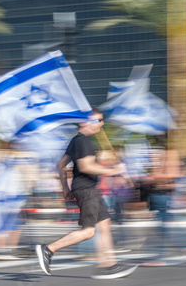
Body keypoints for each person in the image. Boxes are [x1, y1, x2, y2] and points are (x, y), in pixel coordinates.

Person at [35, 111, 138, 279]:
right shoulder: (84, 141)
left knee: (104, 224)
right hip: (86, 189)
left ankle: (108, 266)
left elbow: (61, 165)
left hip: (86, 188)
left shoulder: (76, 140)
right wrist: (113, 170)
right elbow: (85, 167)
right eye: (98, 120)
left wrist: (65, 188)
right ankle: (48, 249)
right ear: (84, 122)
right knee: (89, 231)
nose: (101, 123)